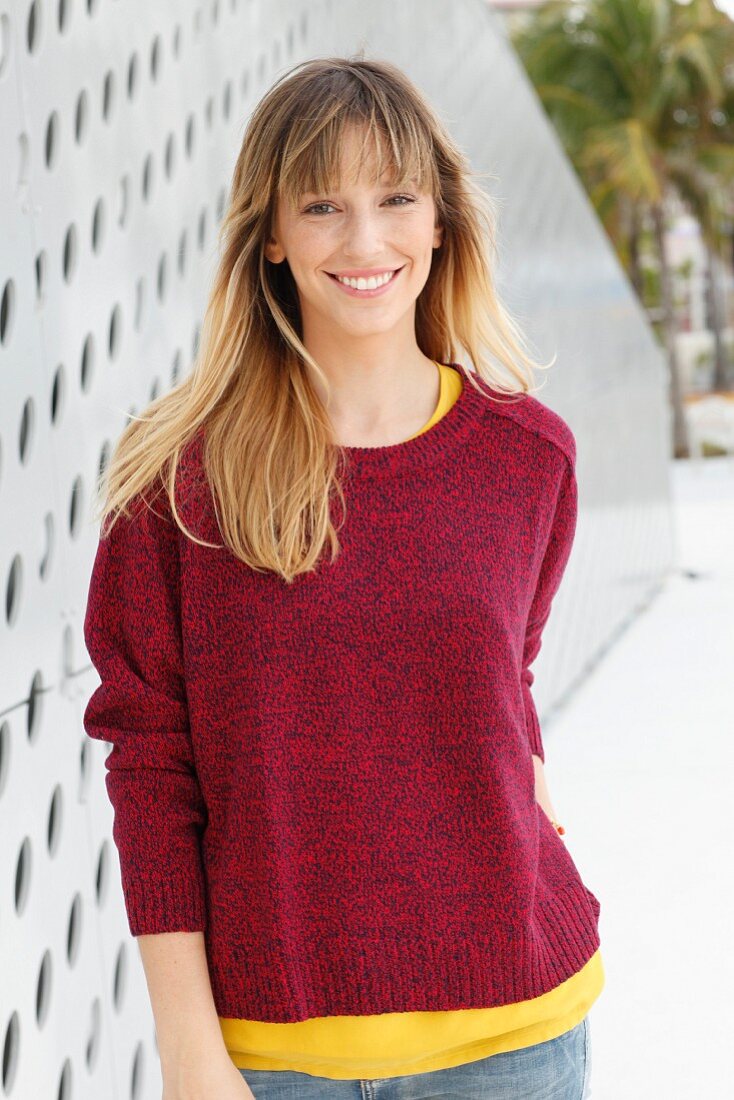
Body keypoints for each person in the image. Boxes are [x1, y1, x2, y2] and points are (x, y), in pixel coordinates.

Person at [82, 55, 604, 1100]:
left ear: (440, 220)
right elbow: (151, 769)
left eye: (394, 198)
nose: (364, 241)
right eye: (321, 204)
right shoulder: (176, 481)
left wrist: (518, 759)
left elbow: (503, 669)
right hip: (272, 1056)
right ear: (269, 234)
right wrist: (187, 1046)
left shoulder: (526, 456)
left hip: (515, 1035)